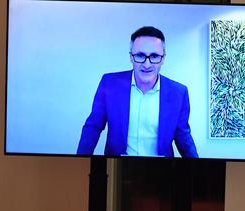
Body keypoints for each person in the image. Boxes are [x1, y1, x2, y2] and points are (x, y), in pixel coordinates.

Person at [77, 26, 198, 158]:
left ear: (163, 58)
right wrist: (79, 163)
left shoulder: (178, 92)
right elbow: (93, 127)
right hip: (117, 168)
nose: (147, 64)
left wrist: (200, 169)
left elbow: (182, 136)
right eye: (140, 55)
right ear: (131, 57)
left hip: (163, 171)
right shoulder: (110, 83)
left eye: (154, 56)